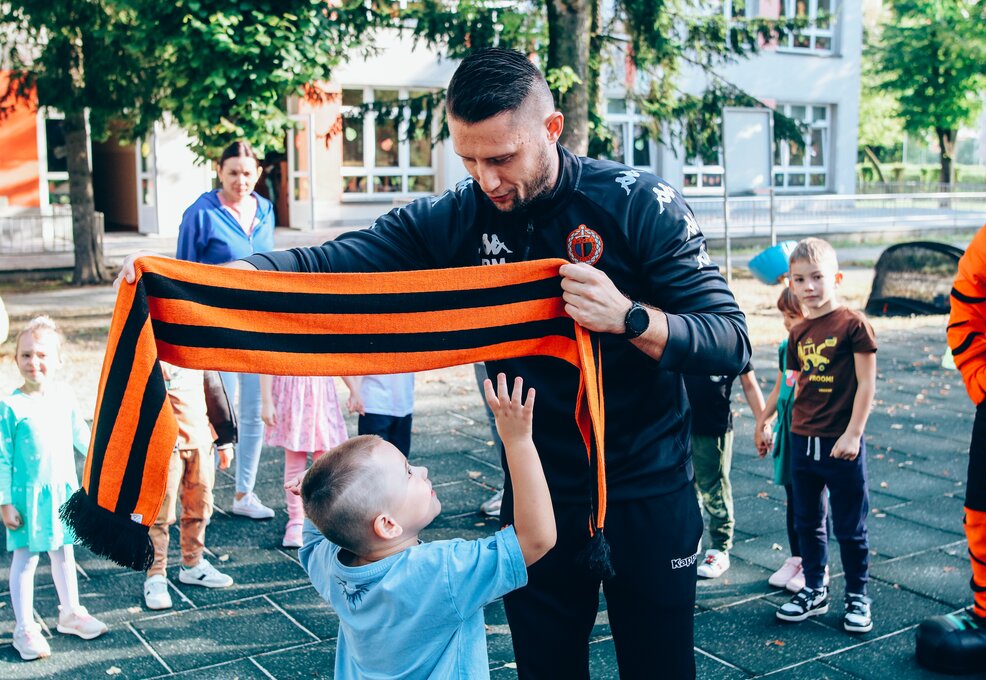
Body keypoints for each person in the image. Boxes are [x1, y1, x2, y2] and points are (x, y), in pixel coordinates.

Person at [120, 47, 749, 678]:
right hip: (538, 489)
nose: (487, 180)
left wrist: (631, 317)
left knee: (660, 666)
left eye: (502, 158)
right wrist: (231, 275)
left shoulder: (640, 203)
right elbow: (342, 259)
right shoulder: (461, 214)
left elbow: (730, 338)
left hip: (647, 486)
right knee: (546, 668)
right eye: (469, 159)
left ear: (552, 129)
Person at [293, 374, 555, 679]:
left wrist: (316, 490)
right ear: (388, 525)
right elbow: (536, 539)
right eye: (408, 473)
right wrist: (518, 442)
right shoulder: (443, 571)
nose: (423, 470)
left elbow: (315, 535)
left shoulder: (331, 567)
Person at [775, 238, 877, 634]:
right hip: (803, 439)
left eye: (817, 277)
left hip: (841, 443)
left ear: (836, 278)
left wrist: (853, 434)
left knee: (850, 527)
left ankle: (857, 595)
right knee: (808, 522)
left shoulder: (853, 325)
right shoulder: (799, 333)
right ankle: (815, 588)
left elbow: (867, 384)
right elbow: (794, 385)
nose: (809, 286)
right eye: (800, 279)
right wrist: (773, 424)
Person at [0, 317, 108, 661]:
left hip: (63, 495)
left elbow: (82, 437)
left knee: (64, 553)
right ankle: (24, 627)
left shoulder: (64, 397)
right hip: (27, 500)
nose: (34, 362)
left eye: (42, 355)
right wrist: (4, 503)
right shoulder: (10, 407)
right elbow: (1, 459)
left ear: (58, 360)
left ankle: (70, 613)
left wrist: (106, 462)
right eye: (26, 355)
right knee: (26, 559)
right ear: (16, 359)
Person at [176, 140, 276, 521]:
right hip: (216, 326)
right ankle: (202, 494)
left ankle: (244, 493)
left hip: (257, 325)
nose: (241, 180)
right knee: (217, 412)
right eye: (233, 172)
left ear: (258, 173)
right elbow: (184, 272)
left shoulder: (265, 210)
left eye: (248, 173)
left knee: (252, 411)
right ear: (219, 172)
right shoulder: (200, 214)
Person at [143, 364, 237, 610]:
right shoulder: (151, 351)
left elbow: (214, 388)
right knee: (159, 514)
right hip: (164, 445)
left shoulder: (197, 351)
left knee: (200, 506)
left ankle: (193, 563)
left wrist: (225, 440)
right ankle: (155, 574)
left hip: (199, 441)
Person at [755, 285, 827, 593]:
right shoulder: (787, 347)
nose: (787, 322)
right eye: (784, 316)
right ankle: (798, 557)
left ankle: (817, 566)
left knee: (812, 504)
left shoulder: (822, 351)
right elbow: (779, 388)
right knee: (792, 499)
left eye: (793, 316)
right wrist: (763, 421)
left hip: (810, 434)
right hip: (787, 431)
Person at [684, 364, 765, 579]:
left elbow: (749, 383)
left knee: (714, 489)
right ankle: (692, 538)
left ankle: (720, 548)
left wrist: (762, 423)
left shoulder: (729, 344)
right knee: (686, 488)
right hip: (681, 425)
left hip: (713, 429)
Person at [261, 374, 360, 548]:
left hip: (321, 394)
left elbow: (335, 360)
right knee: (295, 460)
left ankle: (325, 518)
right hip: (294, 394)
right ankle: (296, 520)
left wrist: (354, 390)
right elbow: (267, 364)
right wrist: (267, 401)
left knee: (326, 463)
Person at [354, 373, 415, 457]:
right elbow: (360, 367)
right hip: (374, 405)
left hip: (403, 403)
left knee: (401, 458)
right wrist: (355, 393)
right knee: (373, 458)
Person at [475, 363, 507, 517]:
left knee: (513, 415)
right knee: (496, 416)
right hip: (482, 353)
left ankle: (519, 489)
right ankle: (510, 488)